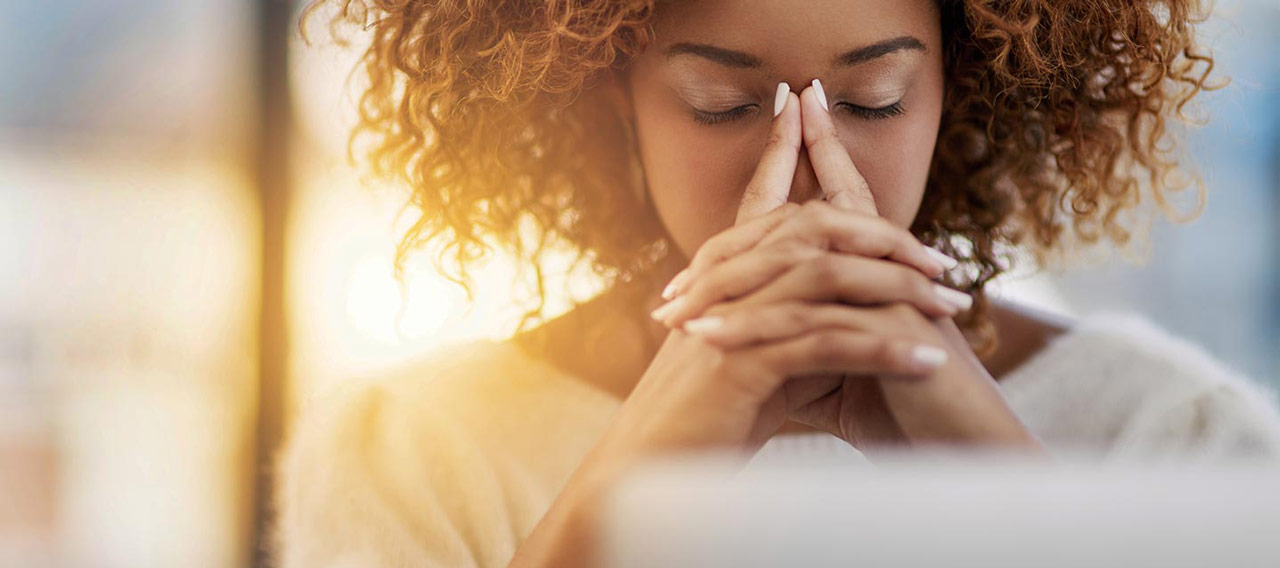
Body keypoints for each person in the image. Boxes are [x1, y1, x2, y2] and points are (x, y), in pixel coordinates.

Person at [274, 1, 1280, 567]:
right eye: (720, 104)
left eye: (870, 100)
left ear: (957, 92)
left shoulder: (1177, 439)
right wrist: (631, 476)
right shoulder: (410, 454)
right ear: (613, 104)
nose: (801, 164)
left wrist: (990, 469)